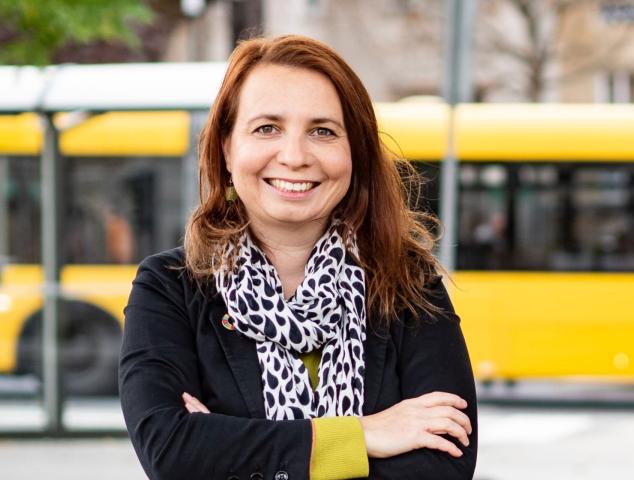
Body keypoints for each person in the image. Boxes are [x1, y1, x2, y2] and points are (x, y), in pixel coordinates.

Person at [119, 35, 477, 480]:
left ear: (355, 154)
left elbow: (444, 465)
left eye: (322, 131)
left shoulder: (408, 282)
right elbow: (171, 452)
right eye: (267, 128)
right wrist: (363, 435)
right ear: (228, 149)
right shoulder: (170, 287)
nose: (294, 156)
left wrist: (229, 444)